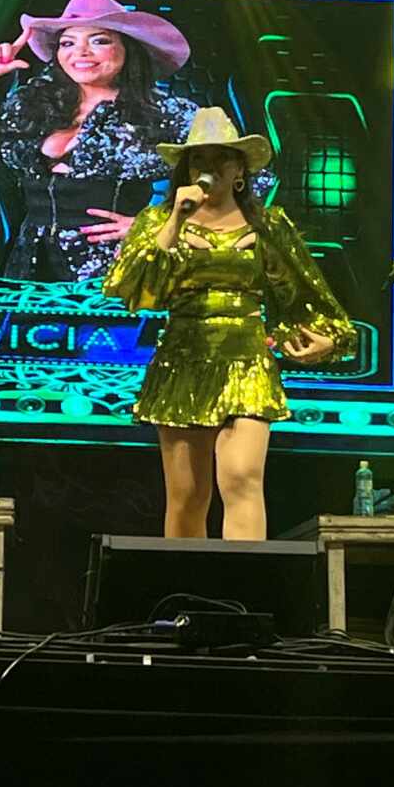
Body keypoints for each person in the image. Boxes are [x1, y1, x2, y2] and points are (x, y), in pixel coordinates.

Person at [105, 108, 355, 540]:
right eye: (198, 158)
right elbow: (131, 287)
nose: (209, 167)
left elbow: (308, 293)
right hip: (182, 361)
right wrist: (175, 220)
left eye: (221, 157)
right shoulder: (158, 222)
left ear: (240, 169)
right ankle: (188, 581)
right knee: (188, 495)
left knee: (241, 478)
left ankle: (243, 580)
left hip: (246, 362)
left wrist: (328, 340)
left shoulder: (268, 225)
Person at [0, 0, 200, 283]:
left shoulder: (165, 113)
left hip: (117, 273)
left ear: (128, 48)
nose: (81, 52)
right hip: (29, 272)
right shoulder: (34, 105)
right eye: (68, 42)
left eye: (99, 40)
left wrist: (159, 225)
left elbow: (232, 183)